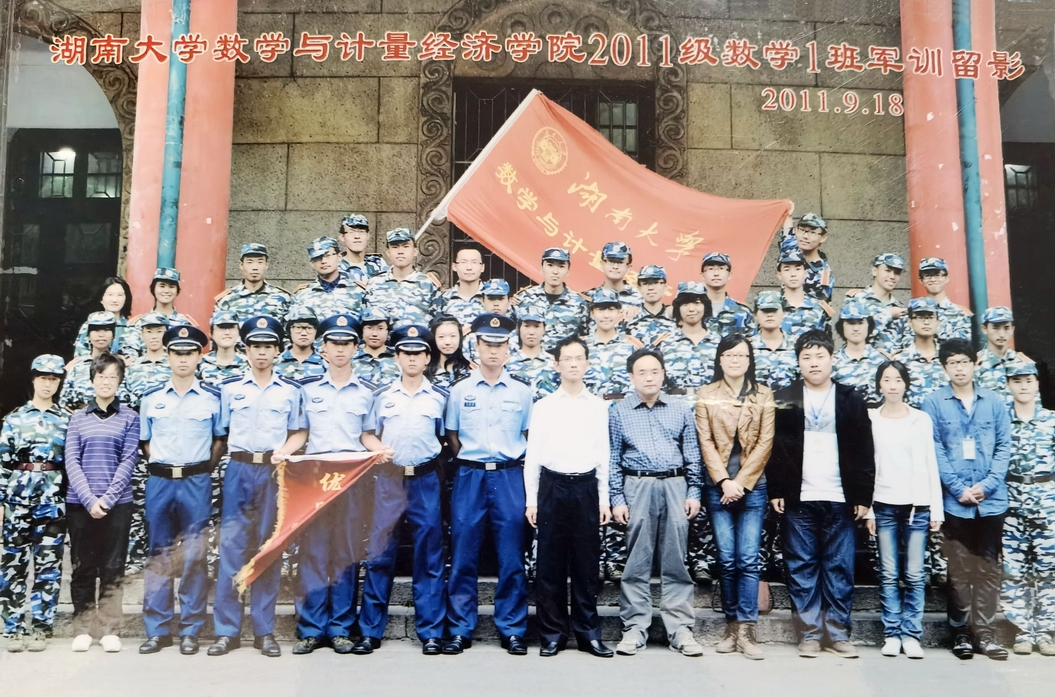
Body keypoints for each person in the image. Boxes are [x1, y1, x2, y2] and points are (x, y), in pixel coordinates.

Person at [767, 329, 875, 659]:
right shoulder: (785, 396)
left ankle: (838, 633)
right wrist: (777, 489)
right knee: (801, 566)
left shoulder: (850, 398)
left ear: (832, 359)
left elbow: (864, 450)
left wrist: (863, 496)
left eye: (820, 356)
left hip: (840, 495)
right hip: (799, 495)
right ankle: (810, 634)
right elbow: (774, 449)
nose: (814, 363)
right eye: (807, 357)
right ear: (798, 362)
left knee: (839, 567)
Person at [286, 314, 389, 656]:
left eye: (347, 344)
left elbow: (367, 435)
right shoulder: (308, 390)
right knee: (314, 551)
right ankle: (311, 629)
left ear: (356, 348)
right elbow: (301, 432)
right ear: (323, 349)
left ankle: (341, 628)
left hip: (351, 478)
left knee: (345, 552)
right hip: (316, 479)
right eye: (334, 344)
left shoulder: (367, 392)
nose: (340, 350)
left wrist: (382, 449)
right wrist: (283, 451)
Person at [208, 316, 307, 658]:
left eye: (268, 346)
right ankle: (227, 631)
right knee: (232, 548)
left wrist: (285, 451)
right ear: (246, 350)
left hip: (273, 472)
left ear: (278, 351)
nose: (261, 352)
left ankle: (264, 631)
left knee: (269, 548)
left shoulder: (290, 391)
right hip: (238, 469)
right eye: (255, 346)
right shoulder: (230, 389)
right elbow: (220, 433)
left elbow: (299, 431)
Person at [442, 313, 533, 656]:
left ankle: (512, 629)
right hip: (471, 475)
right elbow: (452, 436)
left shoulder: (522, 391)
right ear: (476, 347)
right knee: (463, 553)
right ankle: (460, 628)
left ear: (508, 349)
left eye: (500, 344)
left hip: (509, 475)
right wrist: (472, 460)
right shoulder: (460, 390)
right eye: (487, 344)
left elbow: (528, 434)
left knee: (511, 555)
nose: (493, 350)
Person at [358, 324, 448, 656]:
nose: (412, 358)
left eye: (418, 353)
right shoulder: (382, 396)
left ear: (427, 358)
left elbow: (444, 437)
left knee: (429, 555)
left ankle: (431, 632)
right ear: (396, 357)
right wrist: (378, 448)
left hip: (425, 478)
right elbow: (368, 433)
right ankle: (370, 631)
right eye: (406, 353)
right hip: (390, 478)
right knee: (380, 553)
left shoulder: (440, 397)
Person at [609, 348, 703, 657]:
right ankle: (635, 627)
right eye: (642, 372)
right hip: (637, 485)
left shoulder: (680, 409)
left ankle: (680, 629)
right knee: (637, 560)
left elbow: (692, 454)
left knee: (676, 560)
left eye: (654, 372)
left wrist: (694, 491)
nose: (649, 378)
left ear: (663, 374)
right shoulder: (618, 411)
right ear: (631, 377)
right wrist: (617, 498)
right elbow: (612, 457)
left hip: (675, 485)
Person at [921, 338, 1011, 661]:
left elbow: (1003, 447)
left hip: (992, 501)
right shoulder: (933, 403)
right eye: (952, 363)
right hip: (955, 502)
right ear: (944, 367)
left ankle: (985, 634)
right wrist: (958, 488)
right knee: (958, 569)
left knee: (988, 568)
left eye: (964, 362)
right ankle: (960, 633)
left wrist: (987, 485)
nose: (959, 368)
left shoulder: (995, 402)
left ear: (975, 363)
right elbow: (935, 449)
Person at [137, 326, 225, 656]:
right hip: (160, 481)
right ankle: (157, 630)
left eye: (189, 353)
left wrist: (199, 469)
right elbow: (145, 442)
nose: (183, 359)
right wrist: (166, 467)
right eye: (177, 353)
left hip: (196, 481)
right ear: (168, 356)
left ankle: (190, 629)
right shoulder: (152, 398)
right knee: (159, 553)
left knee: (193, 556)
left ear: (199, 356)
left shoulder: (212, 398)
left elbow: (219, 440)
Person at [524, 335, 613, 659]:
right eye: (567, 359)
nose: (573, 364)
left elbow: (603, 454)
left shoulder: (598, 406)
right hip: (552, 486)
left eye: (579, 358)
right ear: (556, 364)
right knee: (550, 564)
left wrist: (603, 498)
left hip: (586, 487)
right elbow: (533, 455)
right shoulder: (544, 406)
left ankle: (588, 634)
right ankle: (553, 634)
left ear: (587, 364)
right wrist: (532, 500)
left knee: (586, 563)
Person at [695, 335, 775, 660]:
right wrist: (725, 481)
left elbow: (765, 442)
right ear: (720, 359)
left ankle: (747, 629)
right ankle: (731, 626)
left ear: (750, 360)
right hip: (719, 487)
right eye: (729, 355)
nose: (735, 360)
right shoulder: (706, 394)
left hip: (753, 487)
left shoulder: (763, 394)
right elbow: (705, 441)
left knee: (748, 558)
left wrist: (740, 482)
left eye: (742, 355)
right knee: (727, 559)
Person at [864, 361, 943, 660]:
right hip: (883, 505)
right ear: (879, 384)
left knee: (914, 573)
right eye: (887, 379)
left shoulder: (920, 419)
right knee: (888, 573)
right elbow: (868, 465)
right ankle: (892, 633)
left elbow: (930, 463)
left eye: (898, 379)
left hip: (916, 507)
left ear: (906, 384)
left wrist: (936, 508)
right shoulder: (871, 418)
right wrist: (870, 510)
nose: (893, 385)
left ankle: (911, 634)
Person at [63, 352, 140, 653]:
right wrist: (88, 499)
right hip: (80, 504)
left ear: (120, 381)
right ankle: (83, 628)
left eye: (112, 377)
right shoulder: (78, 418)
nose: (106, 382)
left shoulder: (130, 417)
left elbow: (128, 460)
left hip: (117, 504)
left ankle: (109, 629)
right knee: (83, 566)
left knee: (112, 566)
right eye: (101, 376)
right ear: (92, 379)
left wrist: (106, 500)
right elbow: (72, 460)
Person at [0, 355, 69, 652]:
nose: (47, 383)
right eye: (43, 377)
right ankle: (13, 628)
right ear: (33, 379)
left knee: (48, 565)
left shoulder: (66, 420)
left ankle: (41, 627)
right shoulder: (14, 419)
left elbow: (72, 463)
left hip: (52, 501)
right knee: (13, 564)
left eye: (53, 379)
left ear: (59, 383)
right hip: (17, 500)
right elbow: (3, 463)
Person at [1002, 360, 1055, 657]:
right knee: (1014, 570)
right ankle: (1022, 631)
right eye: (1017, 381)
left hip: (1046, 502)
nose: (1023, 386)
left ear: (1037, 384)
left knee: (1047, 569)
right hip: (1011, 502)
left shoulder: (1051, 421)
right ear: (1008, 385)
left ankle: (1045, 632)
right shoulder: (1002, 420)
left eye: (1028, 381)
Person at [363, 228, 442, 328]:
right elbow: (365, 321)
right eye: (395, 247)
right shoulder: (374, 284)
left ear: (415, 251)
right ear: (388, 252)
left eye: (406, 246)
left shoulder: (428, 285)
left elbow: (437, 325)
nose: (400, 251)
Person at [514, 247, 589, 351]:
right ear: (541, 268)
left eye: (561, 266)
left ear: (568, 271)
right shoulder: (524, 298)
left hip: (564, 359)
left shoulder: (579, 304)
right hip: (533, 359)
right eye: (550, 265)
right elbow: (513, 333)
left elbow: (587, 337)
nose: (555, 271)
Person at [660, 282, 719, 404]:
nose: (691, 309)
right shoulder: (666, 344)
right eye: (685, 304)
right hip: (675, 407)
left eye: (697, 303)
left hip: (712, 407)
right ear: (678, 308)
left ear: (705, 306)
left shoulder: (719, 342)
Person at [121, 268, 198, 358]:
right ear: (153, 288)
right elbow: (130, 354)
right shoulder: (139, 323)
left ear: (177, 290)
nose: (166, 291)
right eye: (162, 286)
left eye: (172, 286)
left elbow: (191, 354)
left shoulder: (185, 324)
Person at [212, 243, 292, 325]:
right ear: (241, 265)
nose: (255, 267)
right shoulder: (226, 300)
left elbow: (291, 329)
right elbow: (219, 330)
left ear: (266, 265)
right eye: (249, 262)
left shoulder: (282, 297)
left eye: (260, 262)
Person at [843, 253, 907, 354]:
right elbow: (851, 333)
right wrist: (887, 315)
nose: (892, 276)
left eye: (897, 273)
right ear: (875, 271)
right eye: (887, 270)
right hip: (863, 361)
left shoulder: (899, 307)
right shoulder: (857, 299)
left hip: (892, 362)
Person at [291, 237, 365, 322]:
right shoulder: (302, 295)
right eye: (318, 257)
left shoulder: (359, 291)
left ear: (339, 257)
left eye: (328, 255)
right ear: (312, 263)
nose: (323, 261)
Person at [583, 289, 635, 400]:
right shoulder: (582, 346)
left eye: (611, 309)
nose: (606, 315)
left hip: (624, 405)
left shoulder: (632, 345)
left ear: (619, 312)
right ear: (592, 313)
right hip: (588, 405)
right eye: (601, 310)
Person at [832, 302, 888, 406]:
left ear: (869, 325)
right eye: (850, 323)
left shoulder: (882, 360)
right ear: (842, 326)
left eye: (860, 323)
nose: (856, 329)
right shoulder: (832, 362)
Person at [896, 298, 948, 409]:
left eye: (931, 317)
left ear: (938, 321)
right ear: (910, 322)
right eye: (920, 317)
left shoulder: (949, 357)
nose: (926, 322)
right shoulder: (900, 360)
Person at [61, 311, 118, 411]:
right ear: (88, 335)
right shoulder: (77, 367)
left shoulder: (120, 365)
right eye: (96, 330)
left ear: (113, 334)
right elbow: (64, 402)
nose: (101, 335)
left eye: (106, 330)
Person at [909, 258, 972, 346]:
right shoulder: (914, 311)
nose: (933, 279)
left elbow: (966, 345)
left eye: (937, 275)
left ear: (947, 278)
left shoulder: (961, 313)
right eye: (927, 275)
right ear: (921, 280)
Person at [976, 306, 1035, 400]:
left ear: (1012, 329)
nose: (1002, 334)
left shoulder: (1023, 363)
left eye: (1007, 328)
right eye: (995, 328)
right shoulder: (976, 365)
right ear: (984, 329)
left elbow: (1033, 400)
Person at [121, 312, 173, 410]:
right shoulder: (131, 367)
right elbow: (123, 399)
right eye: (149, 332)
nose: (154, 336)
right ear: (142, 335)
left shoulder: (175, 365)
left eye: (159, 331)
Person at [776, 246, 830, 340]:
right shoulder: (772, 308)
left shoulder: (819, 308)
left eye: (798, 269)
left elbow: (827, 342)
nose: (793, 274)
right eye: (787, 269)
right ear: (779, 275)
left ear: (805, 273)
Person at [751, 290, 799, 392]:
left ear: (784, 313)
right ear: (755, 315)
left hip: (791, 400)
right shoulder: (747, 347)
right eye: (765, 311)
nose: (769, 315)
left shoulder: (797, 345)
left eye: (774, 310)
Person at [505, 311, 560, 401]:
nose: (531, 332)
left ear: (544, 329)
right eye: (526, 326)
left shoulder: (555, 363)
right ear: (518, 329)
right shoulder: (507, 364)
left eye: (537, 326)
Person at [73, 277, 133, 358]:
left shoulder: (132, 327)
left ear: (126, 299)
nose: (114, 300)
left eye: (120, 295)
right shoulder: (88, 326)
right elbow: (79, 357)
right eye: (110, 294)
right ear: (101, 298)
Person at [585, 242, 643, 323]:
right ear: (602, 264)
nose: (615, 267)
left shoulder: (641, 298)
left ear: (629, 267)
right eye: (611, 261)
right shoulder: (587, 297)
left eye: (620, 262)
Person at [700, 253, 755, 337]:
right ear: (702, 275)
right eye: (710, 269)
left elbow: (752, 341)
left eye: (721, 268)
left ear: (729, 275)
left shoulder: (742, 311)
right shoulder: (693, 310)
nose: (716, 273)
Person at [786, 213, 835, 303]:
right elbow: (787, 239)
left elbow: (816, 307)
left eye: (812, 232)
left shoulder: (823, 273)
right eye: (802, 230)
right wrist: (788, 215)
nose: (805, 236)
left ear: (823, 237)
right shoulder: (792, 256)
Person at [432, 245, 486, 327]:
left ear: (482, 267)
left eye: (474, 262)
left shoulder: (492, 298)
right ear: (454, 266)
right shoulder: (443, 299)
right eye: (463, 262)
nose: (469, 267)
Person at [625, 264, 676, 347]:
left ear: (665, 287)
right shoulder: (629, 318)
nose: (651, 288)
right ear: (639, 288)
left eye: (656, 283)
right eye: (645, 283)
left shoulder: (675, 317)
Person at [196, 310, 248, 388]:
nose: (227, 332)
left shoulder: (249, 363)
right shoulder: (200, 363)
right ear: (211, 334)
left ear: (238, 332)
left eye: (231, 327)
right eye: (221, 328)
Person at [274, 305, 326, 380]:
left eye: (309, 328)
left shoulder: (325, 363)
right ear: (289, 330)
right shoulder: (275, 362)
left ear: (316, 331)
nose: (304, 333)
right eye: (298, 328)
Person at [352, 308, 401, 387]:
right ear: (362, 331)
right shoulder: (350, 359)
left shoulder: (399, 359)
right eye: (369, 328)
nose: (374, 334)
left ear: (388, 331)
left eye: (380, 328)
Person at [424, 314, 473, 391]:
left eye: (453, 336)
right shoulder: (424, 371)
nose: (447, 342)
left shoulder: (470, 371)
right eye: (441, 337)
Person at [337, 214, 389, 283]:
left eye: (361, 231)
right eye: (351, 232)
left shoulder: (378, 264)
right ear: (342, 237)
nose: (357, 236)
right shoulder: (334, 267)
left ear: (368, 235)